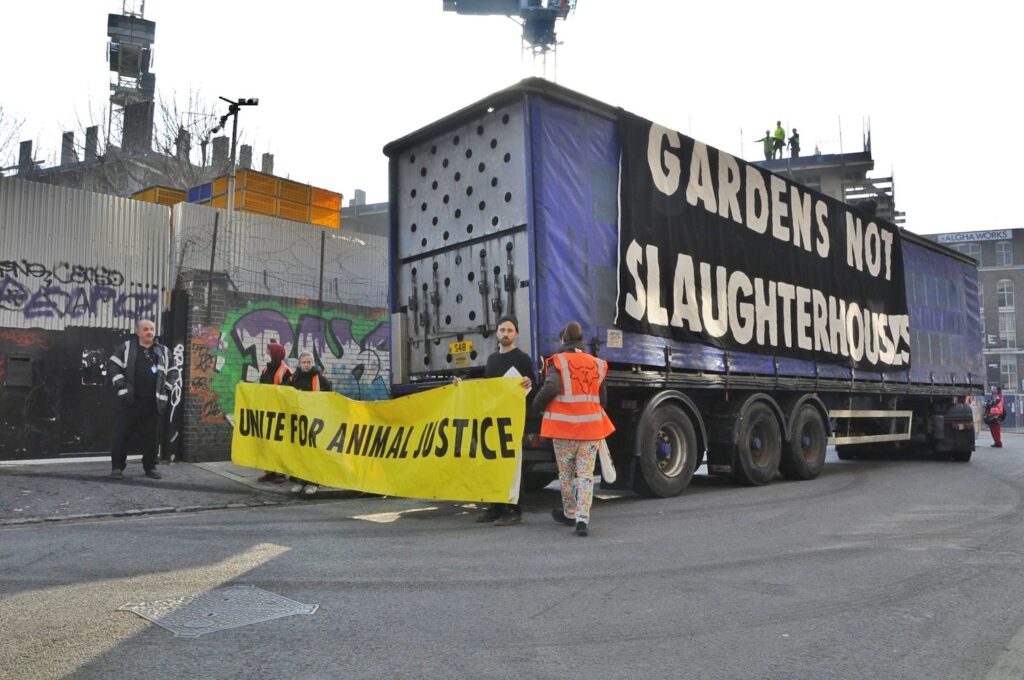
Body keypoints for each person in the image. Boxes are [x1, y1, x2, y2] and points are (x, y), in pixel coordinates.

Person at [532, 321, 615, 537]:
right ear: (582, 340)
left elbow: (551, 387)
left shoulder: (558, 361)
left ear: (563, 340)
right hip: (590, 430)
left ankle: (569, 512)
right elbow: (602, 399)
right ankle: (582, 519)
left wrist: (537, 405)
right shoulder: (597, 364)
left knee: (566, 473)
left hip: (564, 430)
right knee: (586, 475)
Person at [470, 315, 536, 526]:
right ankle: (495, 507)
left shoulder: (523, 359)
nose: (505, 334)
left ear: (516, 334)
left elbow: (533, 387)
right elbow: (487, 390)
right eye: (502, 330)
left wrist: (529, 382)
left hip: (513, 421)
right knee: (493, 464)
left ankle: (513, 510)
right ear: (497, 333)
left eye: (509, 330)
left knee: (513, 466)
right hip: (493, 420)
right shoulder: (491, 360)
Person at [107, 318, 175, 480]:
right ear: (137, 332)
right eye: (145, 329)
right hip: (130, 401)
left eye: (151, 329)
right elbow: (113, 365)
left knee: (152, 438)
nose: (149, 332)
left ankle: (150, 467)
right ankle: (117, 468)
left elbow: (173, 371)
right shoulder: (126, 347)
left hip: (154, 402)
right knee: (122, 435)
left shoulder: (164, 351)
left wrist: (166, 388)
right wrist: (122, 388)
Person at [288, 351, 332, 495]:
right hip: (299, 421)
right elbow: (283, 393)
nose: (306, 365)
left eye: (309, 362)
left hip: (315, 423)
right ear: (299, 364)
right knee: (300, 453)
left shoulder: (320, 379)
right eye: (304, 362)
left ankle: (314, 483)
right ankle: (300, 481)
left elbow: (330, 397)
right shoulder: (294, 378)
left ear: (313, 363)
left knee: (313, 453)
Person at [257, 341, 292, 483]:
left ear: (275, 354)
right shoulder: (266, 370)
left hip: (279, 412)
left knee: (278, 443)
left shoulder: (286, 371)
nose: (266, 355)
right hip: (266, 410)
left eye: (268, 352)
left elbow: (288, 390)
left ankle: (280, 473)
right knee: (266, 443)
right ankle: (269, 471)